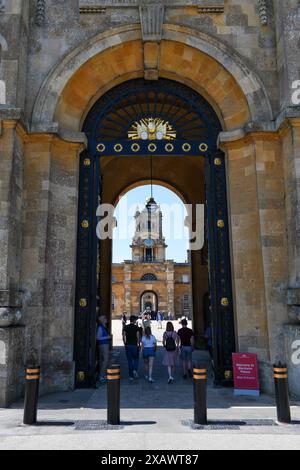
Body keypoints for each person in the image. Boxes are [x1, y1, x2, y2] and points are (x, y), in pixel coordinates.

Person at [123, 315, 141, 381]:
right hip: (134, 345)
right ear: (134, 320)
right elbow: (138, 336)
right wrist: (138, 344)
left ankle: (131, 376)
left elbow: (124, 335)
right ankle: (134, 370)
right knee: (136, 359)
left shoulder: (126, 327)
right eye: (135, 320)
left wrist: (125, 343)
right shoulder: (136, 327)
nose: (136, 321)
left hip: (128, 345)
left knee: (129, 360)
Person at [96, 315, 111, 385]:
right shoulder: (100, 328)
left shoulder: (104, 327)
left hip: (105, 344)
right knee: (105, 360)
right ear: (102, 320)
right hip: (103, 345)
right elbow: (98, 338)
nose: (106, 319)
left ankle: (103, 374)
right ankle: (101, 376)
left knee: (104, 360)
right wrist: (107, 337)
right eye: (105, 318)